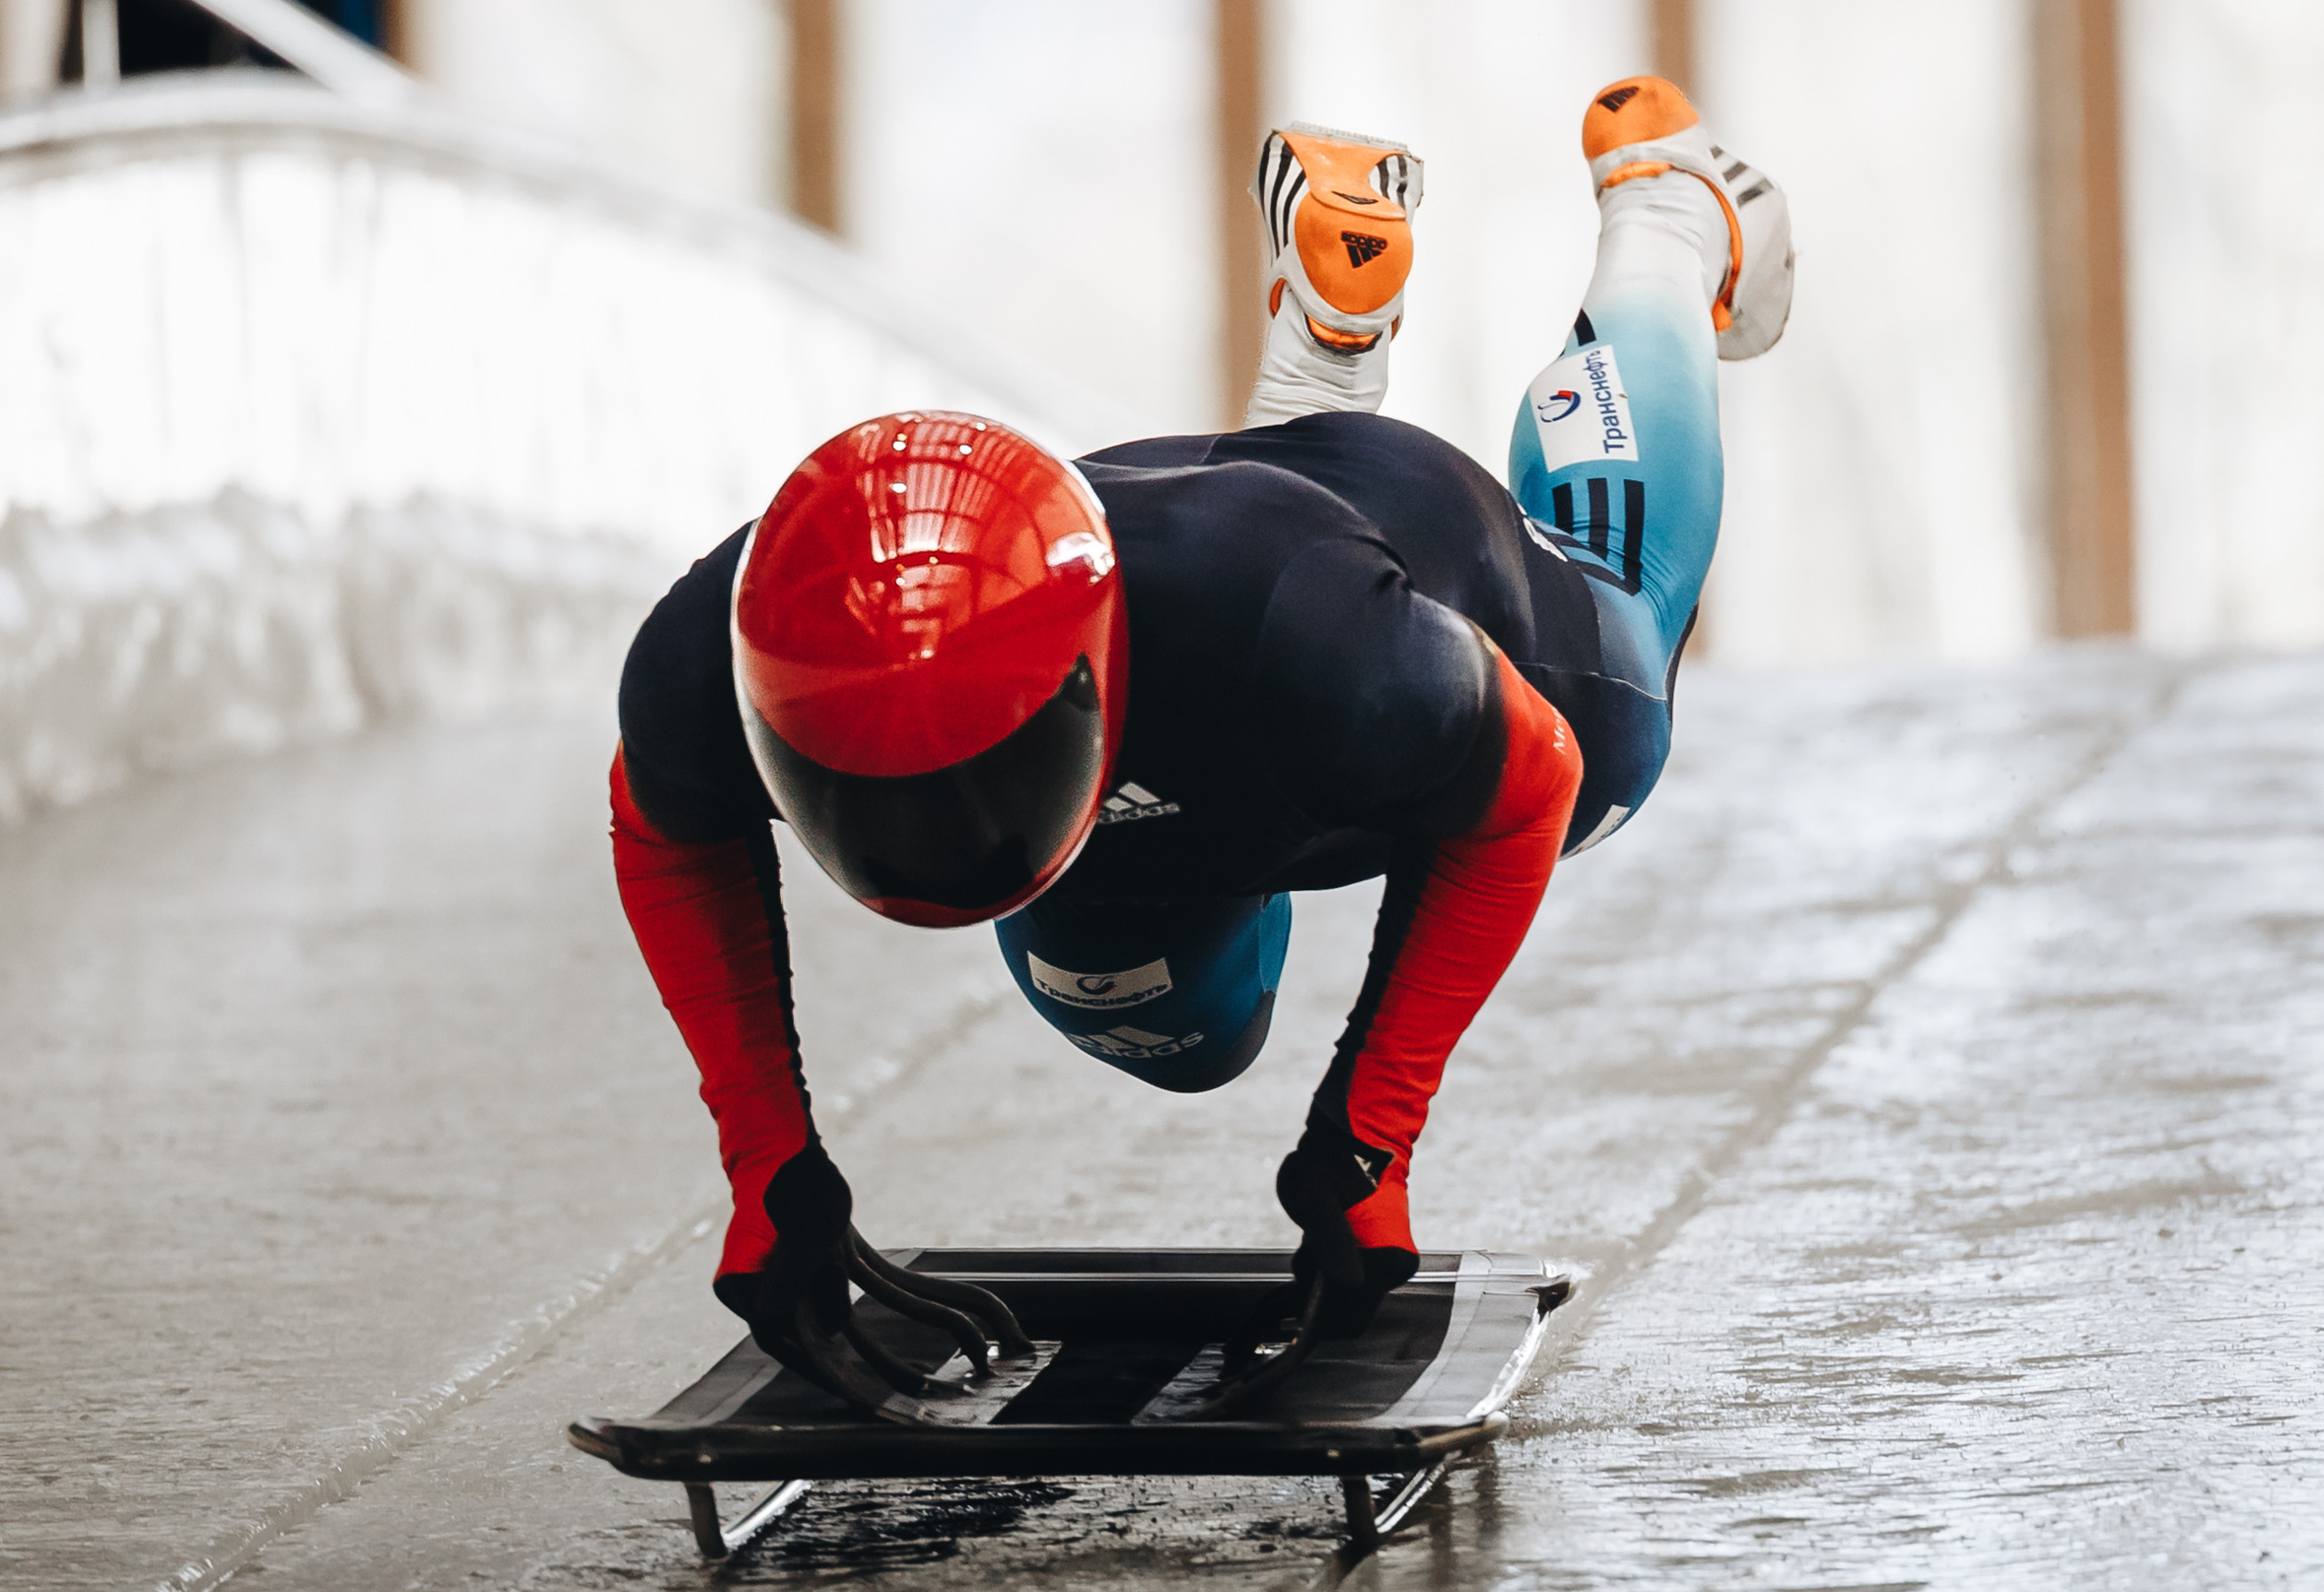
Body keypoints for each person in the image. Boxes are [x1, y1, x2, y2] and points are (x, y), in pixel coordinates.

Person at [610, 78, 1794, 1408]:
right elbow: (667, 823)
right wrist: (770, 1172)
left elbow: (1529, 788)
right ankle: (1323, 359)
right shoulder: (716, 637)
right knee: (1172, 1026)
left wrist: (1368, 1143)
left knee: (1616, 710)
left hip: (1377, 551)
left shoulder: (1328, 654)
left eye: (966, 791)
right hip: (1202, 593)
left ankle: (1666, 214)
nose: (922, 847)